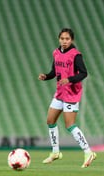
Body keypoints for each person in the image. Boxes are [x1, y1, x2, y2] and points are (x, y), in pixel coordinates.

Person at [38, 28, 96, 168]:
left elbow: (83, 73)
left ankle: (88, 152)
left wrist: (69, 79)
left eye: (67, 39)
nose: (64, 41)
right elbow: (54, 72)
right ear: (59, 39)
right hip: (60, 92)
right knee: (50, 120)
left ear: (72, 40)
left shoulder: (76, 55)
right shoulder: (56, 53)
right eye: (62, 39)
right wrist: (46, 76)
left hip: (71, 93)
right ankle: (55, 152)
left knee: (70, 125)